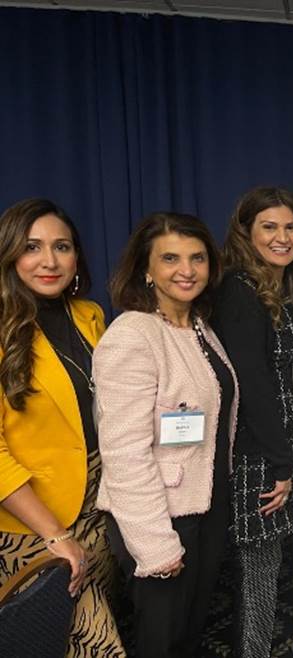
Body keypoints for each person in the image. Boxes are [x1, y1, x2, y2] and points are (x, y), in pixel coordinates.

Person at [94, 211, 238, 657]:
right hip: (160, 515)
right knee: (162, 642)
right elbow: (124, 453)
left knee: (189, 634)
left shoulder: (199, 328)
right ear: (147, 269)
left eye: (197, 258)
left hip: (204, 508)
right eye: (171, 258)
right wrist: (154, 545)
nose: (187, 270)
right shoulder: (133, 334)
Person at [0, 198, 125, 657]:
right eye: (32, 247)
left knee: (66, 642)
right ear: (10, 254)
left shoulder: (89, 315)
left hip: (97, 504)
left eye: (62, 246)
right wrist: (54, 533)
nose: (49, 261)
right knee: (92, 643)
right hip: (32, 521)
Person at [211, 186, 293, 658]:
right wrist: (279, 464)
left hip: (283, 443)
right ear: (246, 232)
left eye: (291, 227)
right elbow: (251, 388)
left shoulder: (283, 284)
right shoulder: (240, 291)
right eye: (269, 227)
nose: (282, 237)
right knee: (258, 568)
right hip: (260, 451)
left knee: (269, 561)